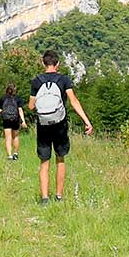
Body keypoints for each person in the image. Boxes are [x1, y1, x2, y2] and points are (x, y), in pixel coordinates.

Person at [29, 50, 93, 205]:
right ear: (57, 64)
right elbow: (74, 101)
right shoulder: (64, 79)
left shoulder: (36, 81)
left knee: (44, 162)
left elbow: (31, 106)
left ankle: (45, 199)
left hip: (43, 125)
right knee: (60, 159)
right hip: (60, 125)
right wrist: (86, 121)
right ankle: (58, 196)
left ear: (43, 63)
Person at [0, 83, 27, 160]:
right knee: (15, 136)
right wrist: (23, 121)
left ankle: (9, 155)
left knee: (8, 138)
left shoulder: (3, 98)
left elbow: (0, 109)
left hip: (6, 120)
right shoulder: (18, 98)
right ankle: (16, 153)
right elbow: (20, 110)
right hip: (15, 119)